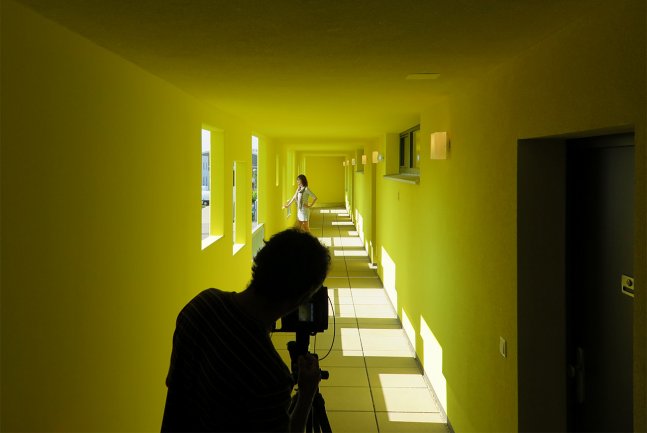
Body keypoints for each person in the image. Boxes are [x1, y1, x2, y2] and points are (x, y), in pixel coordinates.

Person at [161, 228, 331, 433]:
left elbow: (175, 391)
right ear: (300, 299)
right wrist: (306, 396)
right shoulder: (271, 376)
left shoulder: (200, 305)